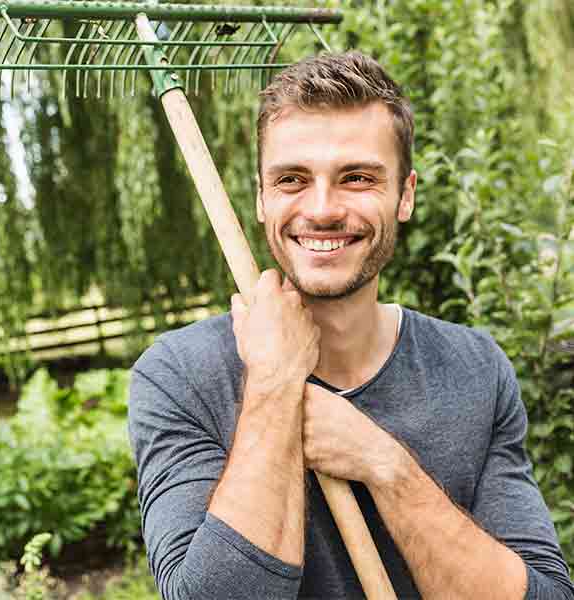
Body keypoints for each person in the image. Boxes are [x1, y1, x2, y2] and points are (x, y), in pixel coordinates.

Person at [128, 51, 574, 599]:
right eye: (292, 179)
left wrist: (386, 466)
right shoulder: (180, 375)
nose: (321, 209)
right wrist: (273, 382)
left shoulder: (474, 367)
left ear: (405, 194)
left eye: (357, 177)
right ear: (262, 198)